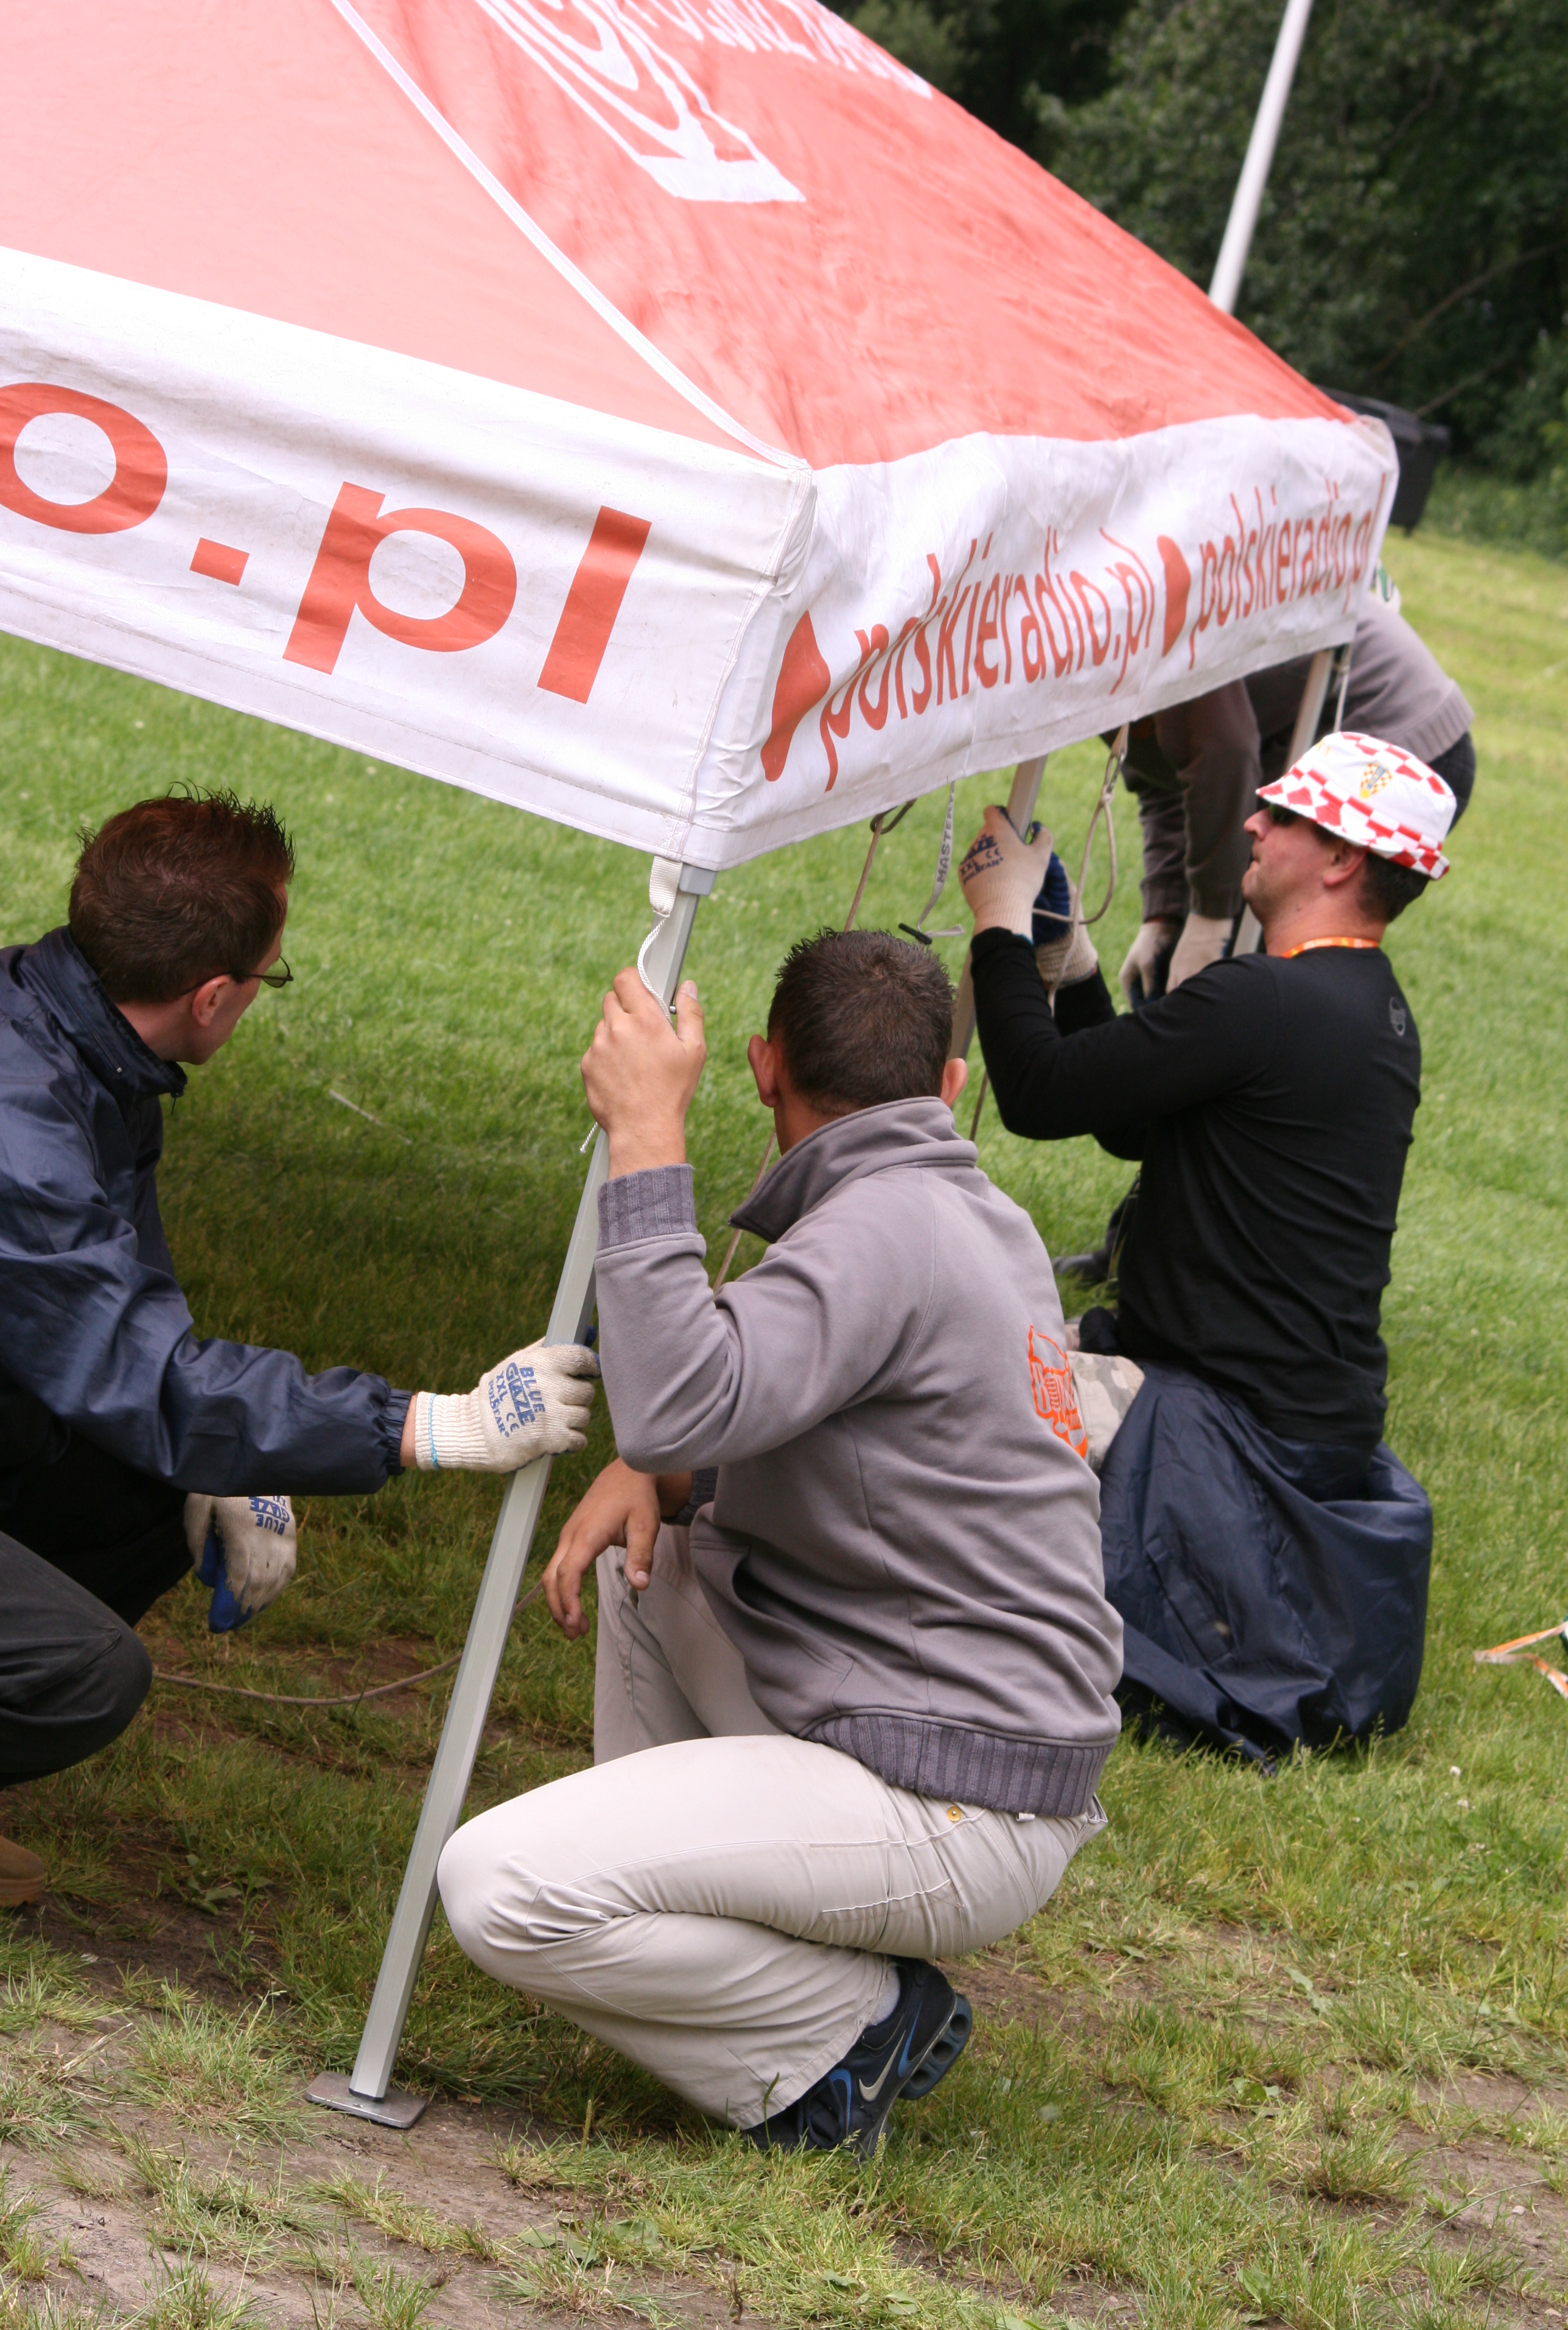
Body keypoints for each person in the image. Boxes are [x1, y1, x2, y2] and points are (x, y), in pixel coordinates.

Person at [436, 929, 1121, 2153]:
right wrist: (663, 1476)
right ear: (949, 1085)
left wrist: (648, 1135)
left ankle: (847, 2033)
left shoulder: (878, 1233)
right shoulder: (968, 1216)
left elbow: (673, 1405)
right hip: (965, 1744)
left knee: (500, 1887)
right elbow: (841, 1435)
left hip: (952, 1793)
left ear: (762, 1067)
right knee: (651, 1560)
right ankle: (714, 1955)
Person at [0, 789, 597, 1902]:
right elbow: (145, 1375)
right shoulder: (21, 1123)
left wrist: (221, 1457)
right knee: (86, 1671)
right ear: (213, 996)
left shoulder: (82, 1051)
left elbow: (127, 1315)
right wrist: (436, 1426)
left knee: (154, 1487)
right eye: (267, 978)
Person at [959, 733, 1452, 1761]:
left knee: (948, 1374)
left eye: (1285, 815)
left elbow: (1039, 1095)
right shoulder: (1369, 1008)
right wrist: (1072, 965)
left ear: (1341, 859)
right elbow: (1135, 1121)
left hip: (1222, 1428)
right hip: (1304, 1424)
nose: (1252, 823)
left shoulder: (1263, 1000)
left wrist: (1000, 931)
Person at [1119, 592, 1474, 1001]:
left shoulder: (1146, 624)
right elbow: (1161, 770)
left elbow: (1224, 754)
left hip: (1394, 731)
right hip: (1307, 726)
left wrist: (1211, 918)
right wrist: (1164, 912)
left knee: (1253, 959)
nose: (1256, 826)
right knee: (1219, 967)